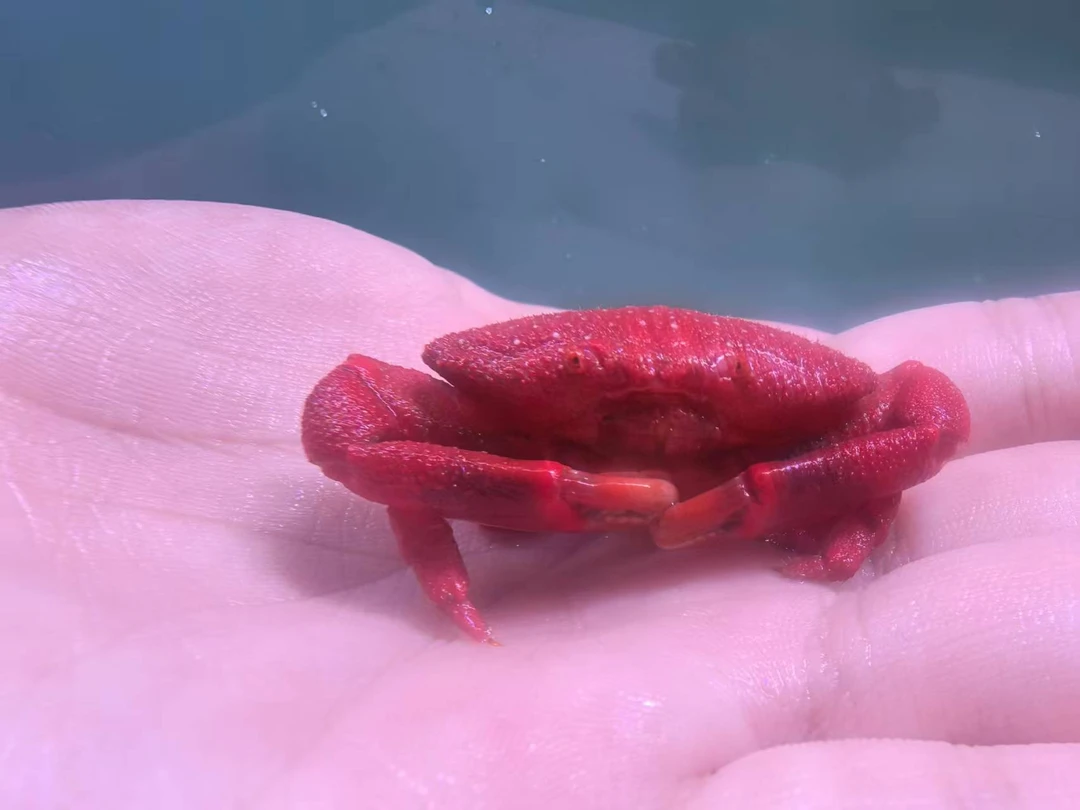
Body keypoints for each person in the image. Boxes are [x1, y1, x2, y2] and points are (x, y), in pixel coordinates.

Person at [1, 199, 1077, 808]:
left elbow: (919, 417)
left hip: (772, 449)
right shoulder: (451, 402)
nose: (657, 420)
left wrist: (819, 502)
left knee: (926, 420)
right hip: (531, 443)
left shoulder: (833, 404)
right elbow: (355, 420)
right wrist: (494, 500)